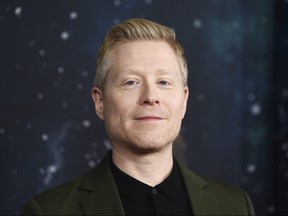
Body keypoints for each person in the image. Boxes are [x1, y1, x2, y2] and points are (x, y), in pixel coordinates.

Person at [21, 18, 255, 215]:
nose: (150, 96)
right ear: (100, 102)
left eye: (163, 82)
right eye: (130, 82)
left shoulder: (235, 207)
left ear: (184, 101)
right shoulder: (47, 211)